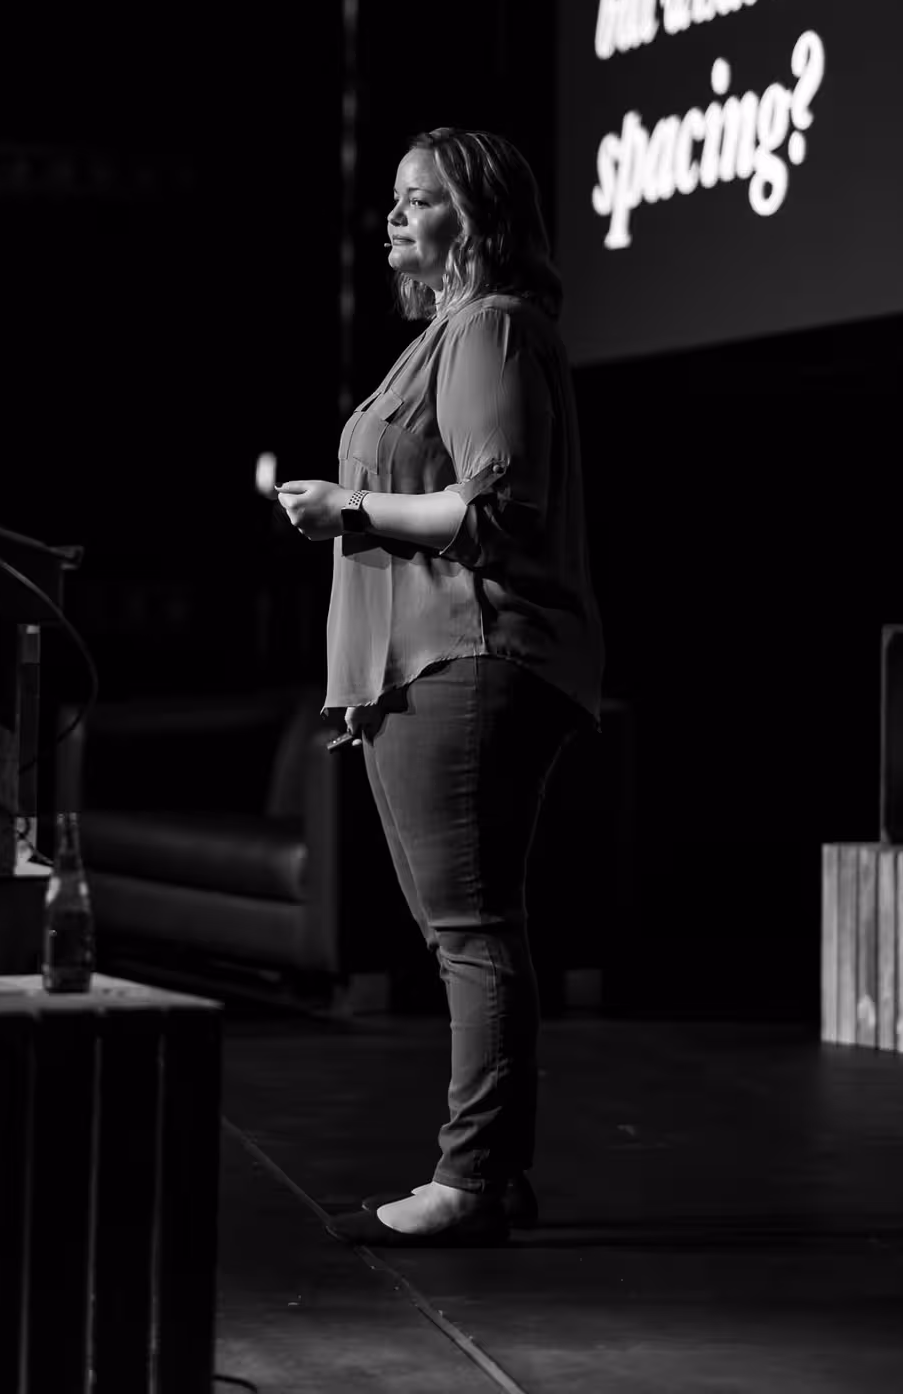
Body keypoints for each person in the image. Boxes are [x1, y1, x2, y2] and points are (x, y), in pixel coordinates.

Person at [276, 126, 604, 1249]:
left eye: (422, 199)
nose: (394, 216)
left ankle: (469, 1177)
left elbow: (496, 510)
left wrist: (349, 512)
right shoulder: (445, 340)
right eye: (395, 200)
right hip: (420, 663)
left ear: (480, 218)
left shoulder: (492, 326)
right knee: (463, 928)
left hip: (468, 652)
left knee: (471, 928)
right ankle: (491, 1172)